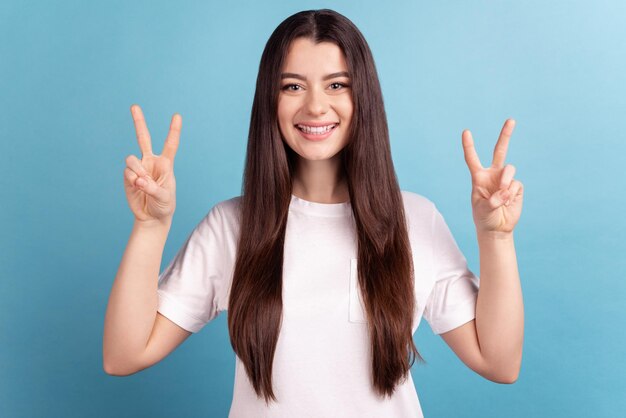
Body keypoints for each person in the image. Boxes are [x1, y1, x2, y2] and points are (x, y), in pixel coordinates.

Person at [103, 8, 524, 418]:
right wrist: (150, 226)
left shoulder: (415, 219)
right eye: (292, 86)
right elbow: (124, 355)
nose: (316, 107)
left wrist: (497, 238)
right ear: (271, 99)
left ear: (364, 96)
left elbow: (499, 363)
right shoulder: (232, 227)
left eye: (337, 85)